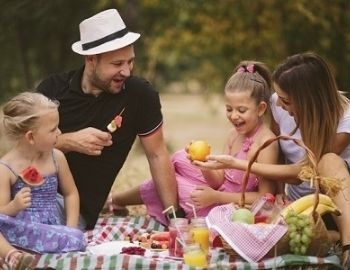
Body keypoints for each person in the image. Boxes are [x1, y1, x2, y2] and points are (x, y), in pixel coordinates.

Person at [195, 52, 350, 267]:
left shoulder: (345, 120)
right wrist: (277, 195)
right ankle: (329, 238)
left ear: (308, 100)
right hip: (299, 208)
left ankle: (347, 246)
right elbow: (278, 155)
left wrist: (236, 163)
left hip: (337, 207)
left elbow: (303, 173)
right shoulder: (279, 106)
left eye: (286, 100)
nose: (280, 105)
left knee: (330, 160)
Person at [35, 9, 180, 230]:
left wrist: (175, 219)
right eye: (117, 64)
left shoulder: (139, 95)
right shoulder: (51, 90)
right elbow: (23, 150)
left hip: (72, 210)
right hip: (26, 193)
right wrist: (68, 142)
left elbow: (157, 154)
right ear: (91, 59)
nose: (127, 72)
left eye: (130, 62)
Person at [111, 61, 279, 225]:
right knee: (179, 158)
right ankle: (117, 200)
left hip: (232, 205)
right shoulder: (233, 135)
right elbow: (217, 181)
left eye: (241, 110)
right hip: (218, 191)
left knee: (171, 182)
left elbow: (264, 198)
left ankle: (118, 200)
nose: (234, 116)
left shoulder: (266, 143)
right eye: (229, 109)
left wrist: (216, 197)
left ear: (261, 108)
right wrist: (204, 164)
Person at [0, 92, 86, 253]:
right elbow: (2, 213)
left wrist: (70, 229)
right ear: (31, 137)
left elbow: (71, 193)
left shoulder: (57, 158)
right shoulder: (5, 168)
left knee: (78, 238)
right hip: (20, 231)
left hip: (52, 231)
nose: (59, 132)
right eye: (53, 129)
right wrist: (14, 206)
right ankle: (12, 255)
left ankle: (14, 254)